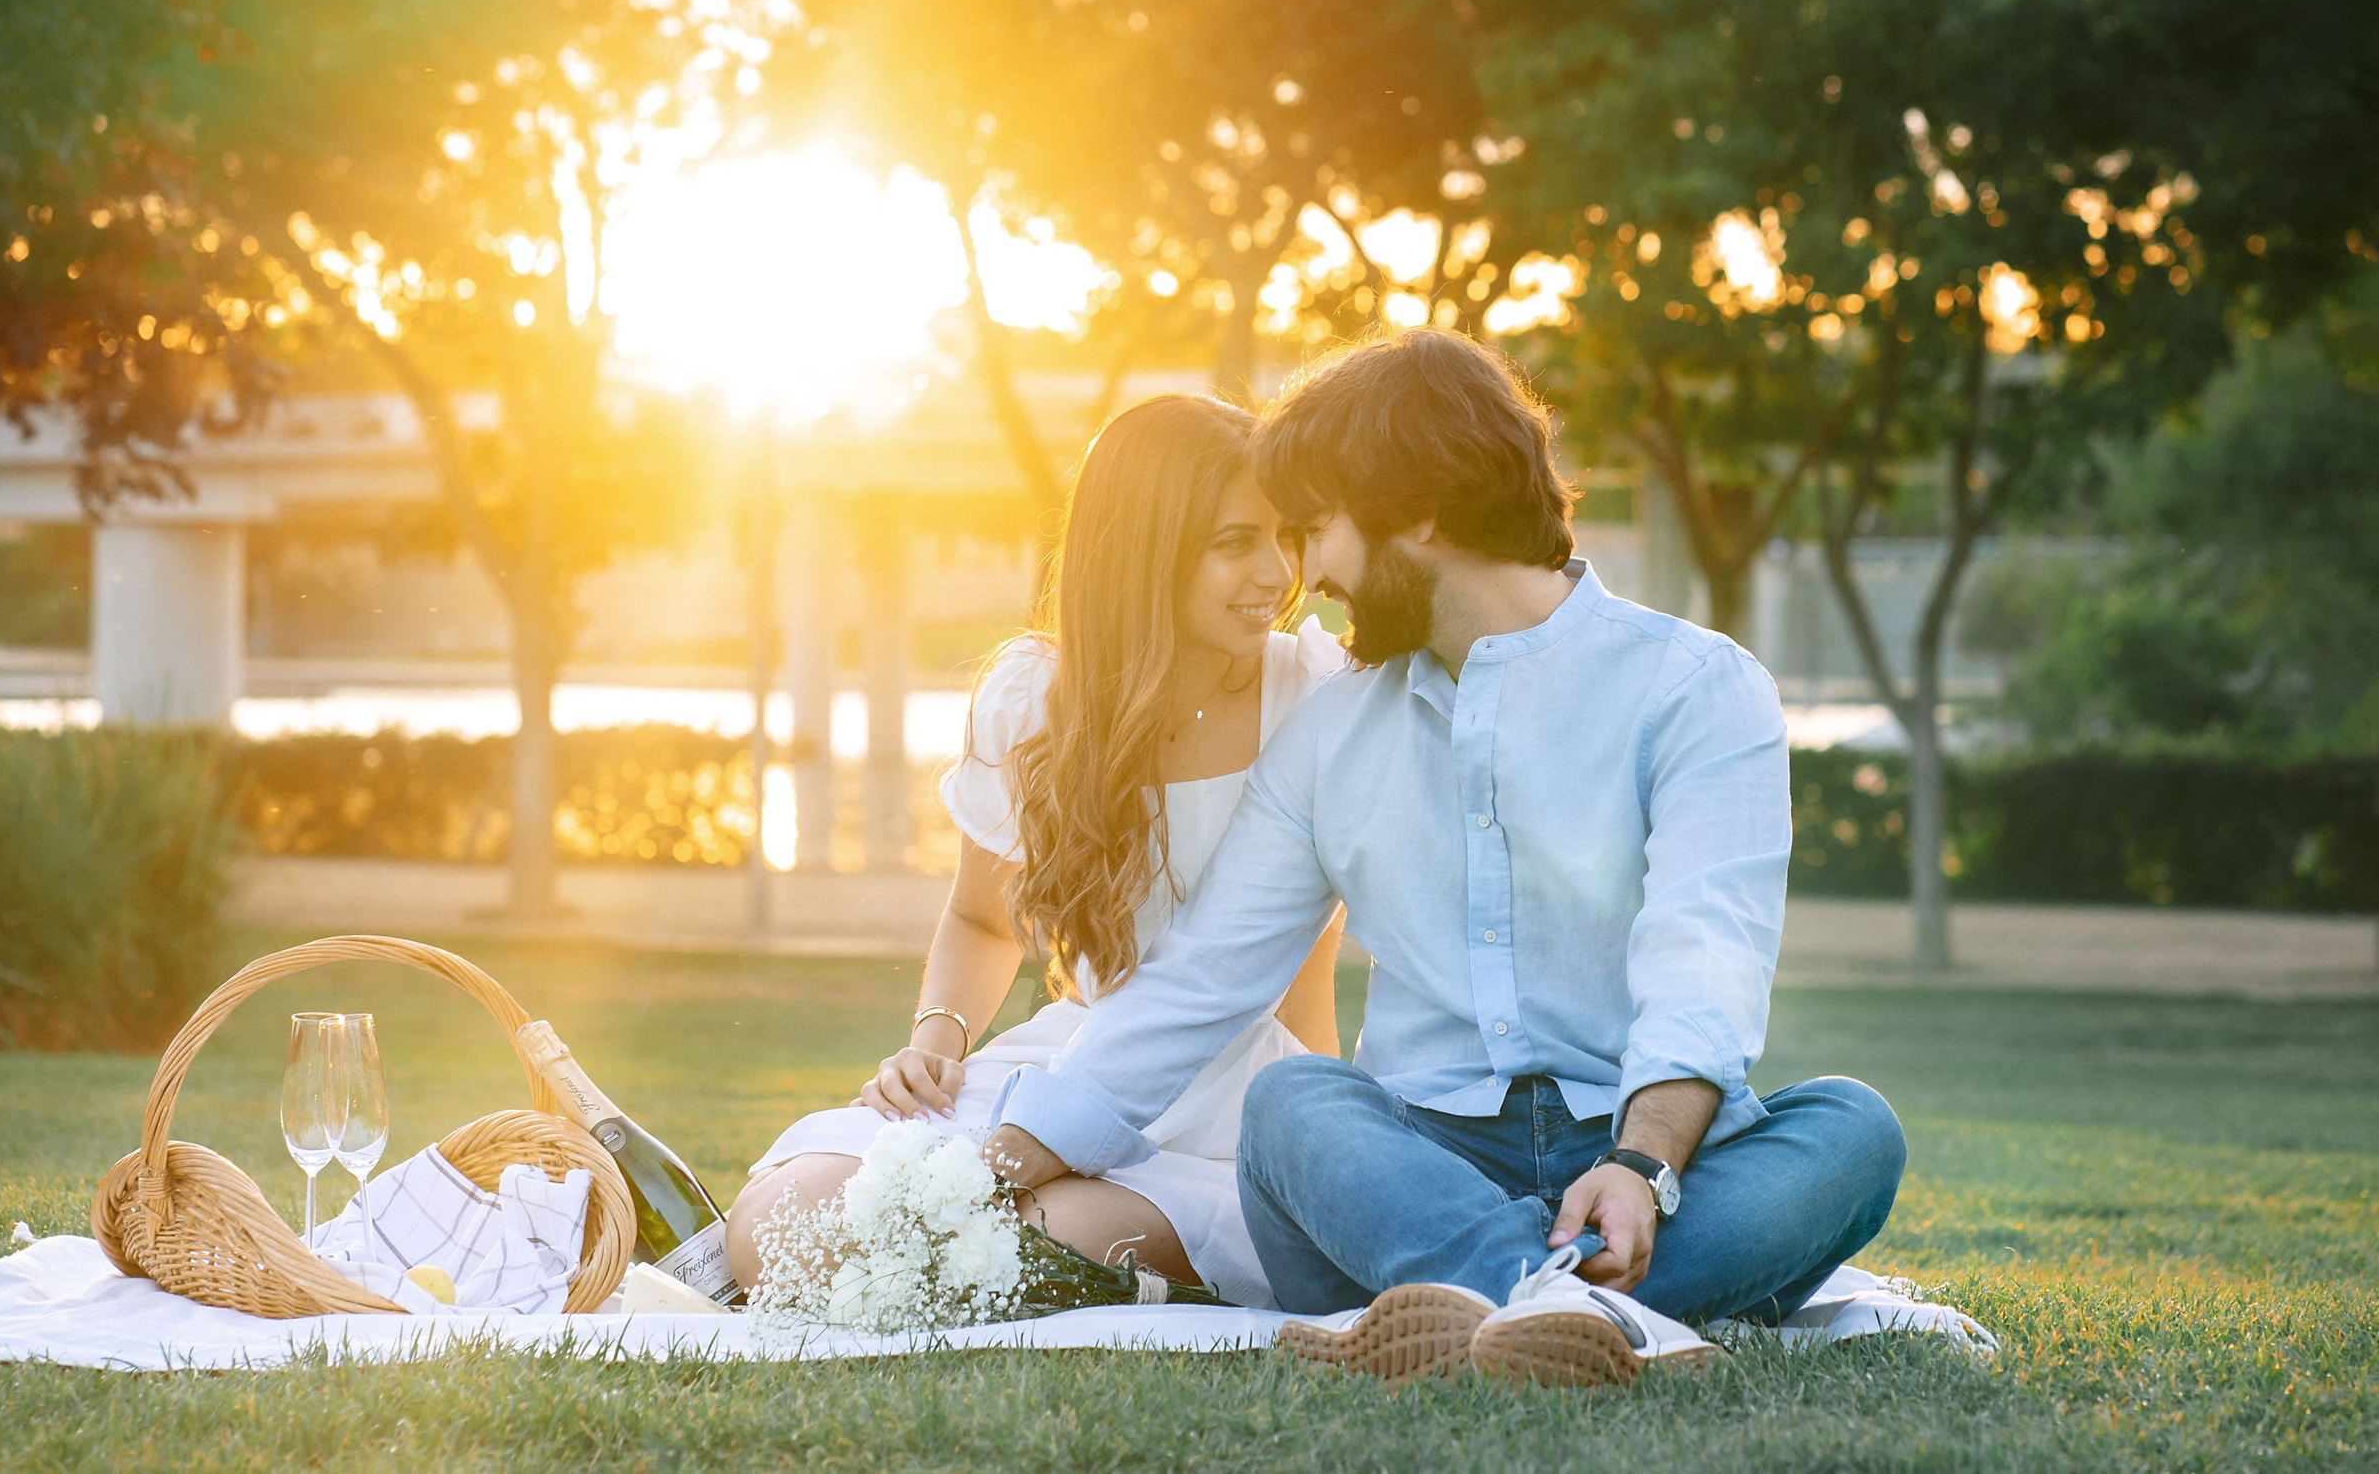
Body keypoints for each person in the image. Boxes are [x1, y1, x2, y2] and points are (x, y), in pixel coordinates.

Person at [981, 330, 1907, 1388]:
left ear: (1416, 511)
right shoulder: (1331, 730)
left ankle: (1485, 1301)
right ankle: (1605, 1315)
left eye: (1316, 528)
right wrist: (985, 1167)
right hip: (1413, 1160)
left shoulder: (1695, 688)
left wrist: (1641, 1166)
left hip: (1647, 1153)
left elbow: (1706, 954)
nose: (1304, 575)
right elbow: (1201, 980)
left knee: (1851, 1128)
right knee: (1294, 1108)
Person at [724, 393, 1348, 1308]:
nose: (1277, 573)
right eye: (1234, 542)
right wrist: (935, 1045)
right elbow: (981, 919)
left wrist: (1325, 1142)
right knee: (783, 1222)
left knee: (1042, 1239)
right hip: (1071, 1065)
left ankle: (1122, 1232)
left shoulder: (1315, 695)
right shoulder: (1036, 698)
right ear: (1145, 551)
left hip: (1235, 1097)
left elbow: (1305, 974)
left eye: (1286, 536)